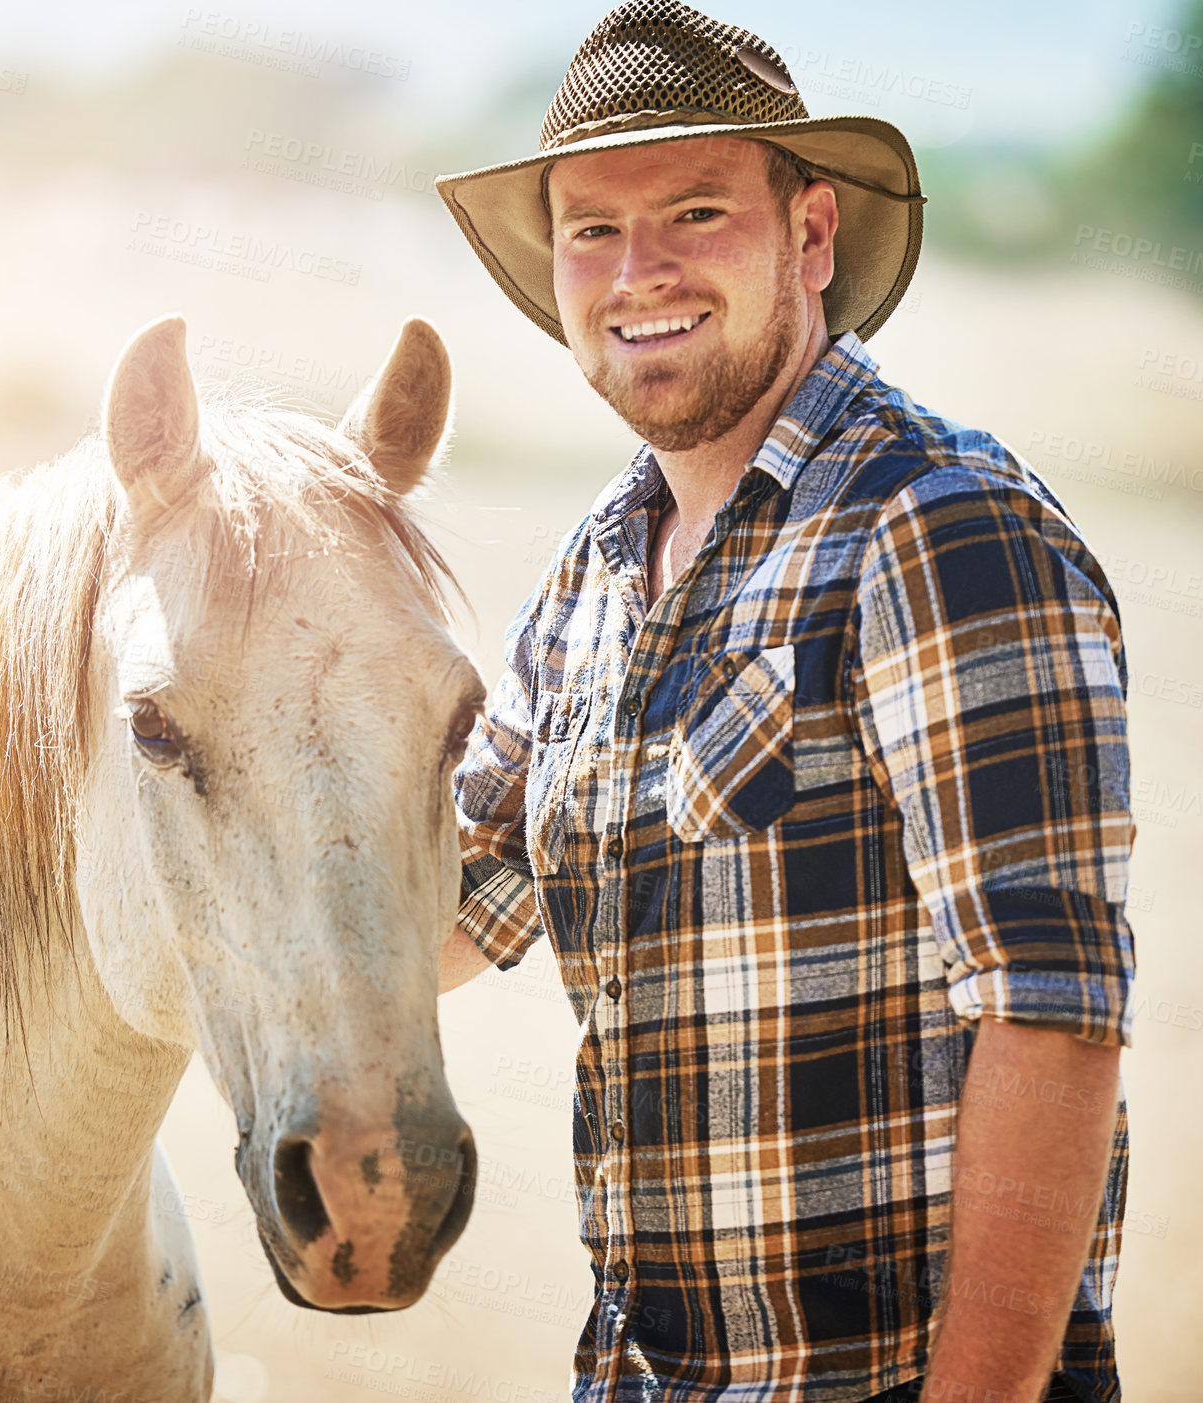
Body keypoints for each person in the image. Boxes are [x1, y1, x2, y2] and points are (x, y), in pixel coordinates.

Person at [433, 4, 1134, 1403]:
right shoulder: (593, 576)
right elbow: (452, 908)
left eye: (696, 211)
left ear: (811, 235)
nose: (639, 274)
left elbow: (1049, 1010)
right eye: (593, 231)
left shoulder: (937, 526)